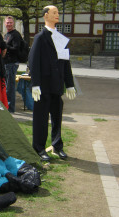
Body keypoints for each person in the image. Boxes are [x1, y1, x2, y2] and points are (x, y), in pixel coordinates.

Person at [28, 5, 76, 161]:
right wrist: (35, 84)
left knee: (57, 116)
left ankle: (57, 146)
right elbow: (33, 62)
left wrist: (69, 84)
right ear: (46, 15)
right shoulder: (40, 38)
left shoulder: (61, 38)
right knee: (40, 118)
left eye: (58, 12)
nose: (57, 15)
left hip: (57, 85)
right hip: (43, 85)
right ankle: (39, 148)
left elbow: (65, 63)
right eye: (54, 12)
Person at [3, 16, 22, 113]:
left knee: (10, 87)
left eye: (10, 22)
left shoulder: (15, 35)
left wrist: (5, 46)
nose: (9, 24)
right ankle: (7, 106)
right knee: (7, 86)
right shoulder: (7, 34)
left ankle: (10, 109)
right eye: (7, 22)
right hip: (6, 63)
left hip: (12, 63)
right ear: (4, 23)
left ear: (13, 23)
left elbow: (16, 48)